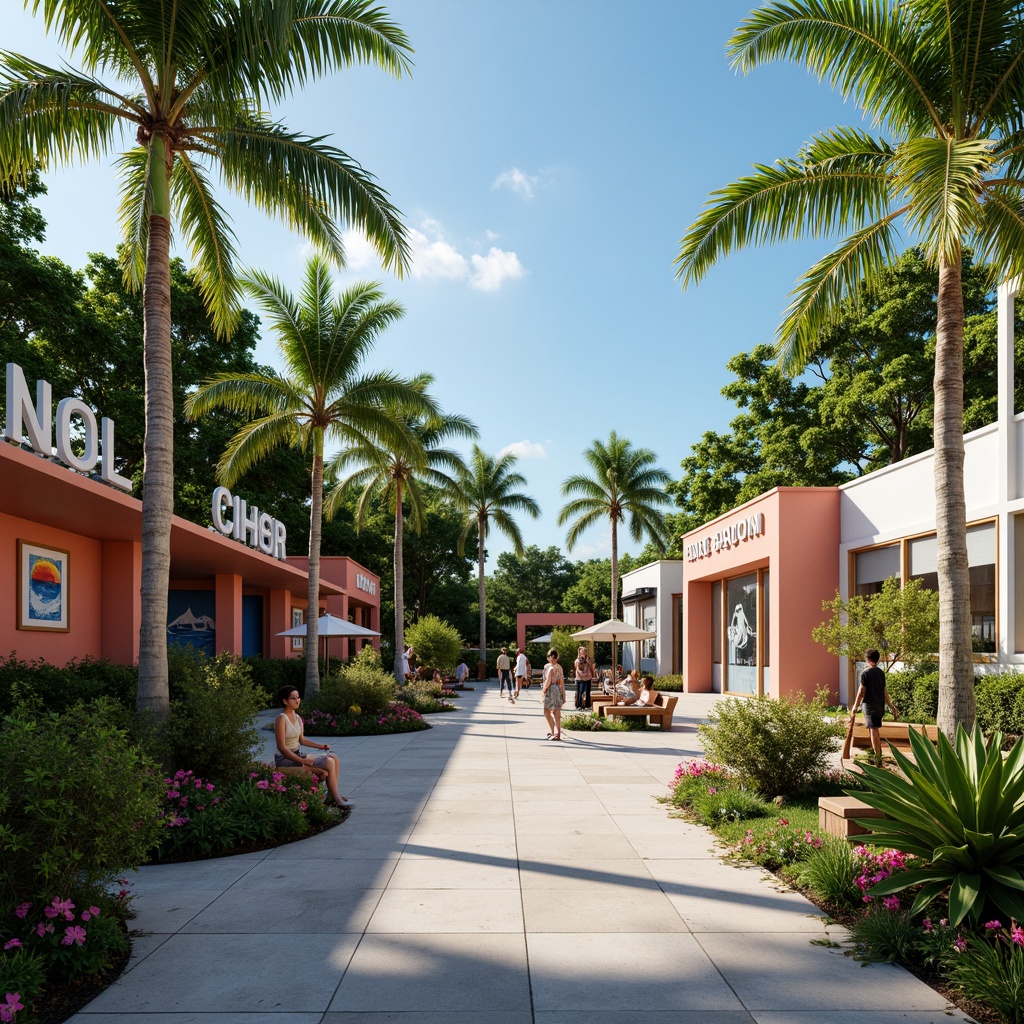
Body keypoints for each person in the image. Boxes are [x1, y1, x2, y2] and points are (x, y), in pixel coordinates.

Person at [274, 686, 353, 809]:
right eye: (293, 698)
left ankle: (331, 796)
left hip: (297, 754)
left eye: (298, 697)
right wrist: (302, 761)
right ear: (285, 701)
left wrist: (321, 746)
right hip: (285, 759)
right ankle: (337, 799)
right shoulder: (281, 719)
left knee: (333, 757)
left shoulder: (297, 718)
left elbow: (302, 740)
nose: (297, 700)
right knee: (328, 761)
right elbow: (282, 748)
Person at [848, 648, 899, 765]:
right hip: (880, 706)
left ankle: (877, 758)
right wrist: (891, 706)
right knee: (875, 729)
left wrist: (855, 707)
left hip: (870, 706)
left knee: (873, 730)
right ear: (878, 659)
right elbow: (884, 691)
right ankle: (877, 753)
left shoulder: (865, 673)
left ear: (867, 659)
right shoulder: (881, 673)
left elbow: (861, 691)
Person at [542, 647, 566, 740]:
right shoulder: (550, 666)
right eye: (551, 657)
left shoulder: (553, 667)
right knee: (551, 711)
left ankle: (555, 733)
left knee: (552, 711)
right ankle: (555, 732)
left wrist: (563, 695)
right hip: (553, 689)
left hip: (552, 689)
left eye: (554, 657)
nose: (552, 659)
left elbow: (560, 682)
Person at [573, 645, 595, 709]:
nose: (582, 653)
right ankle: (579, 705)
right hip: (579, 678)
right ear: (579, 653)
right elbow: (576, 668)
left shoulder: (588, 660)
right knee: (580, 692)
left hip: (587, 677)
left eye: (584, 652)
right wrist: (581, 661)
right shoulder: (577, 660)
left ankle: (587, 705)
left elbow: (591, 666)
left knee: (588, 692)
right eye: (581, 651)